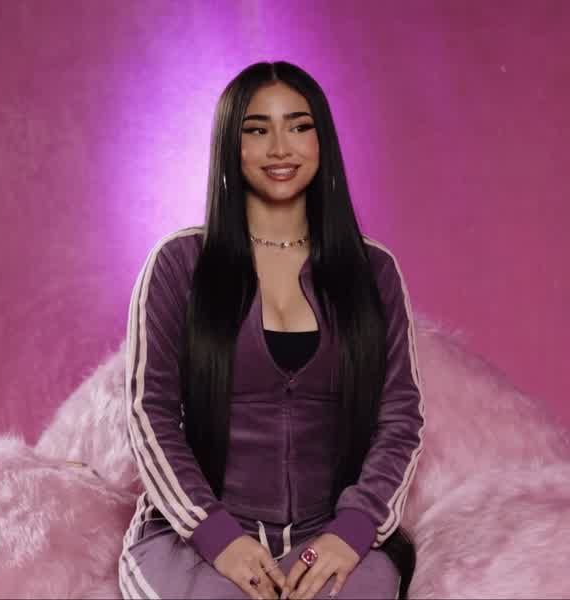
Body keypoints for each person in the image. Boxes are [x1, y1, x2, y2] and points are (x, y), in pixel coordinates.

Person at [118, 61, 425, 600]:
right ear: (229, 147)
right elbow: (150, 414)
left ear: (322, 140)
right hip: (196, 538)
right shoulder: (178, 263)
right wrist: (218, 537)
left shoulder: (373, 270)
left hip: (328, 537)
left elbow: (399, 417)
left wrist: (351, 533)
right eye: (257, 130)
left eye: (299, 126)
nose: (280, 147)